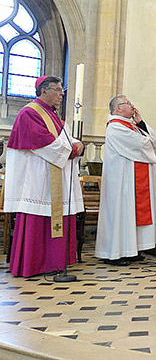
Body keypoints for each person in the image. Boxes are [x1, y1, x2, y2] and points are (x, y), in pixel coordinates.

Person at [2, 76, 84, 277]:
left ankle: (53, 262)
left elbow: (63, 139)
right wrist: (73, 149)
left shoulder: (52, 114)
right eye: (57, 89)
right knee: (37, 218)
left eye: (61, 90)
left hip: (51, 176)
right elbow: (46, 143)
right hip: (37, 178)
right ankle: (35, 264)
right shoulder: (29, 113)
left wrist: (76, 144)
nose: (61, 94)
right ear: (44, 91)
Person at [95, 95, 156, 266]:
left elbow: (153, 140)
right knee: (121, 213)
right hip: (121, 181)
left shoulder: (131, 125)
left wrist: (141, 122)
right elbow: (143, 144)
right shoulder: (116, 127)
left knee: (130, 214)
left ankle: (130, 250)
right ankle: (114, 253)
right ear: (119, 108)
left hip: (131, 179)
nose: (132, 105)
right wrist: (145, 139)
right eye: (128, 103)